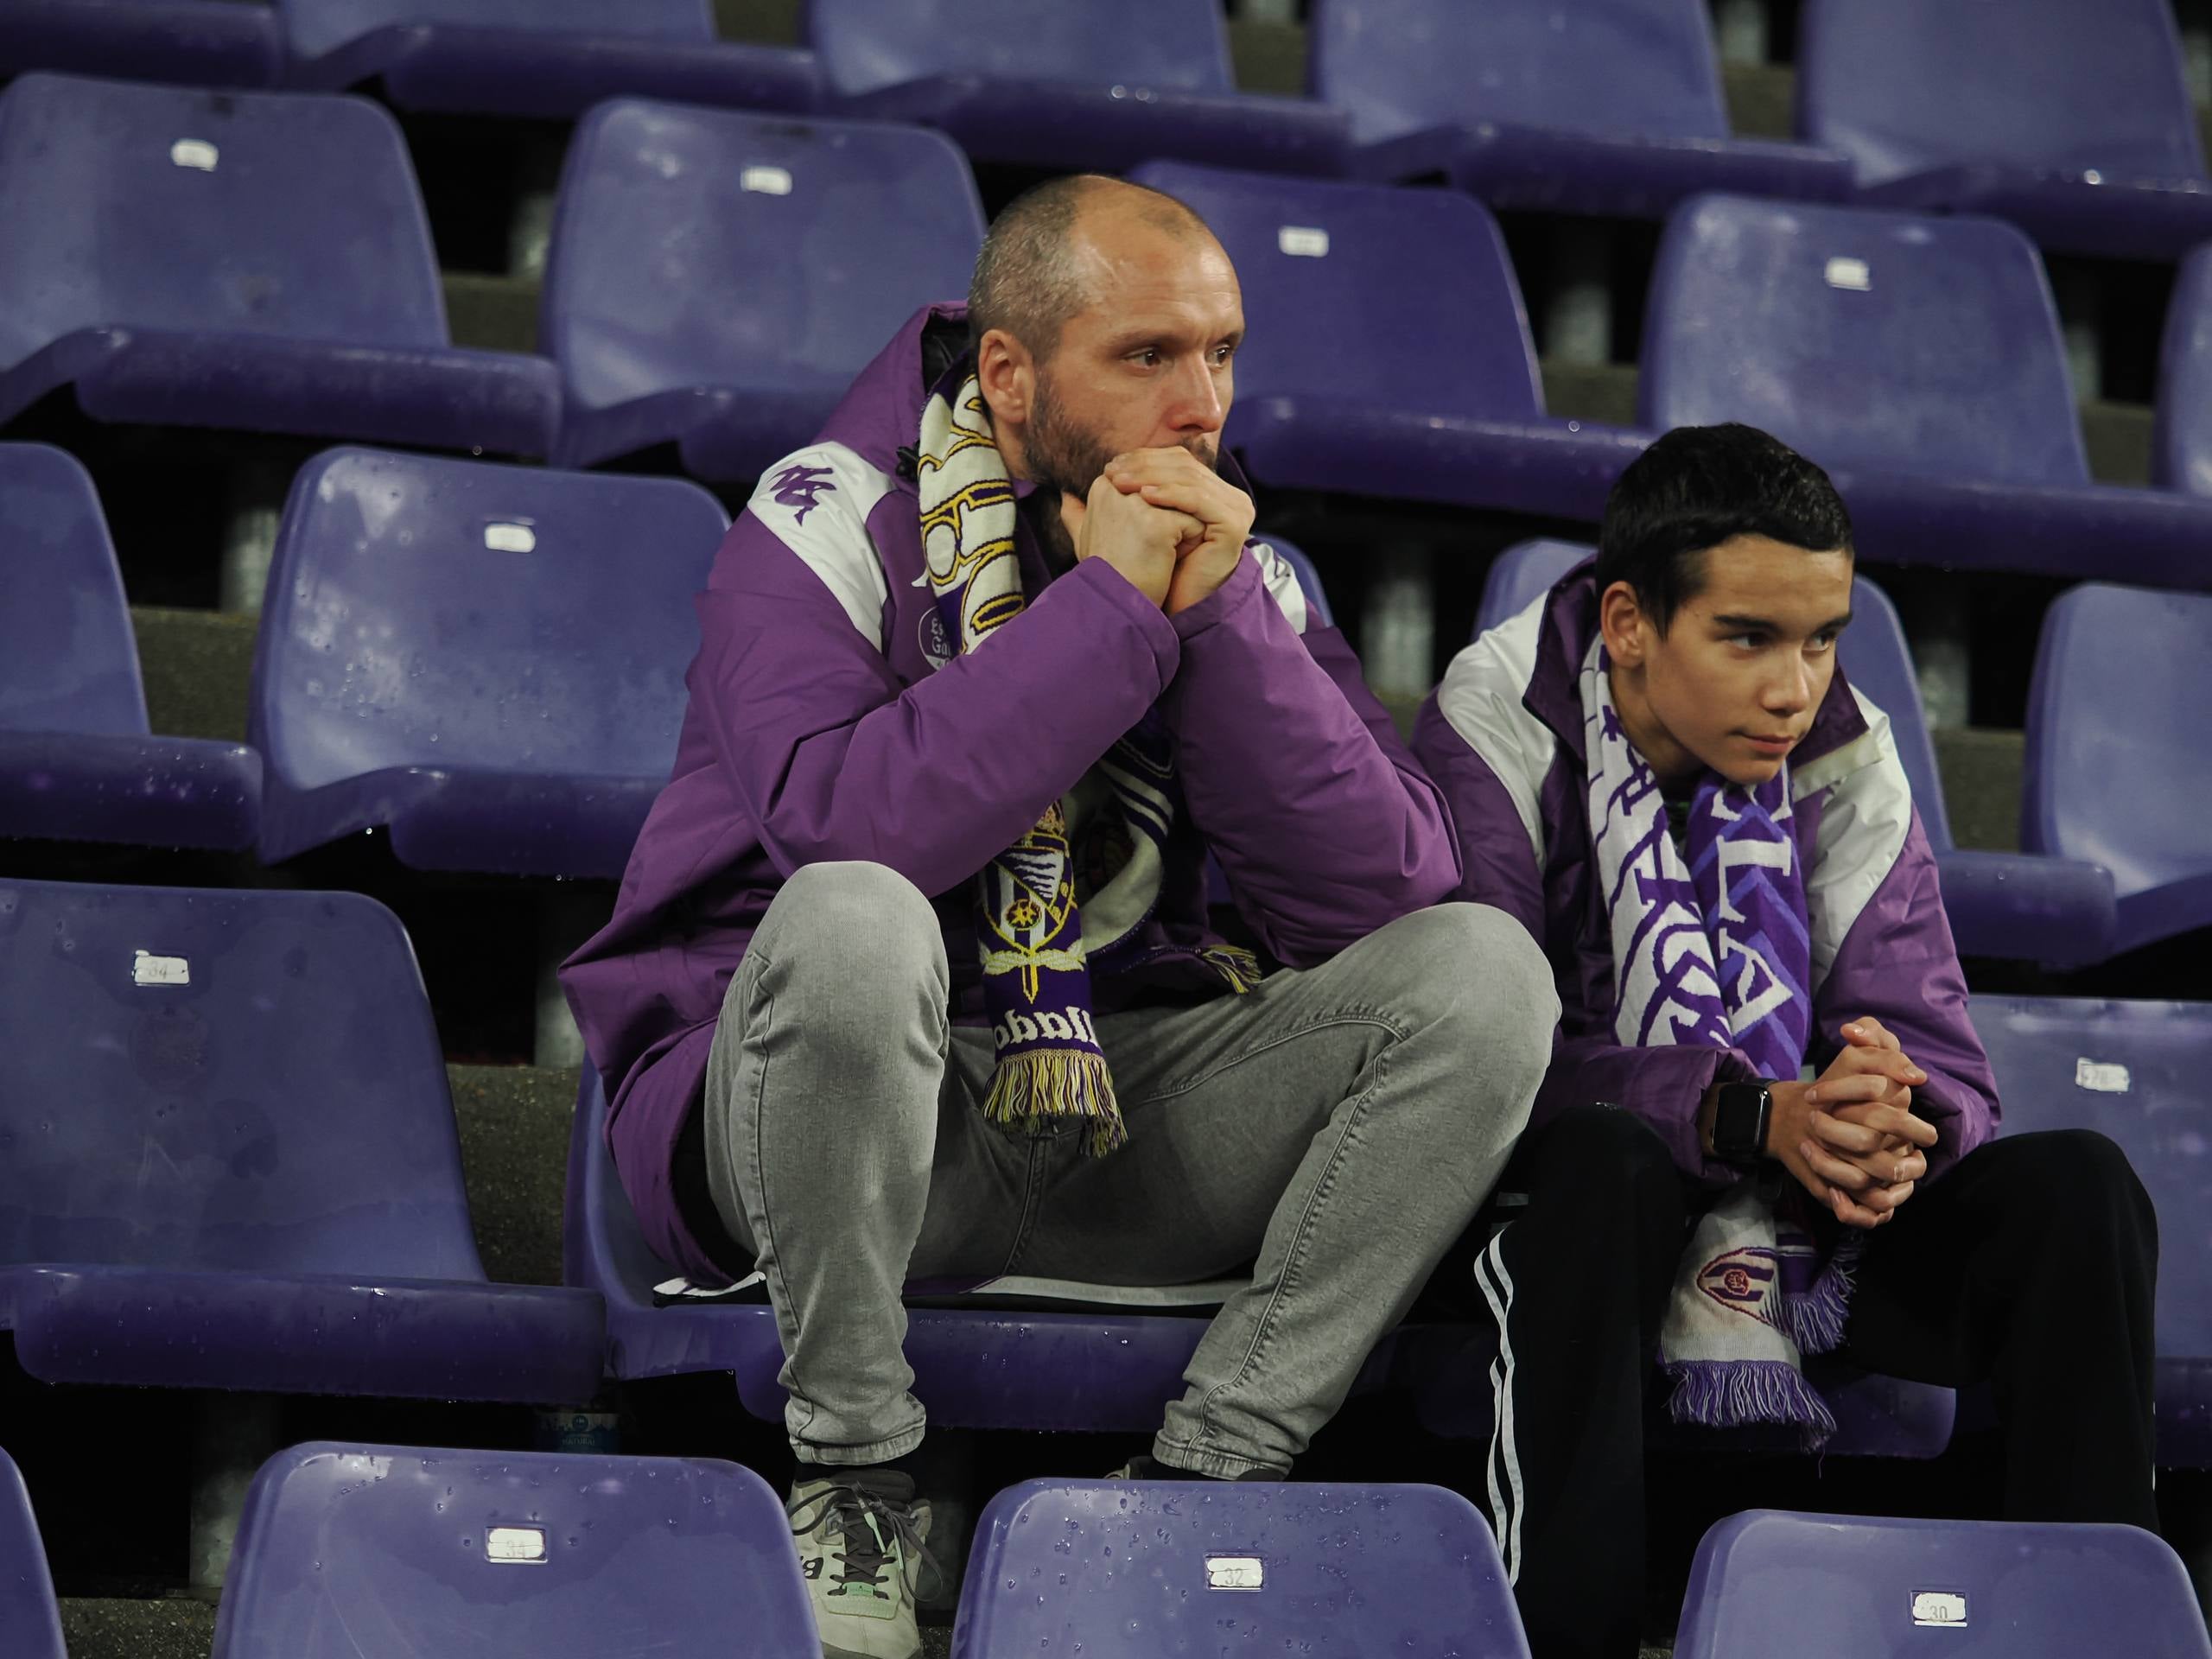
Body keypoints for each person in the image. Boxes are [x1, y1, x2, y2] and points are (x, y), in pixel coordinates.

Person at [561, 174, 1557, 1659]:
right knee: (851, 920)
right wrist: (1108, 619)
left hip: (1124, 1105)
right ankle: (853, 1478)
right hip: (825, 1120)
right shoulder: (825, 514)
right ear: (1013, 372)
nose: (1202, 401)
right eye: (1147, 355)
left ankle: (1212, 1468)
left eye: (1221, 353)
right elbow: (852, 828)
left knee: (1485, 974)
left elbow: (1386, 895)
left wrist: (1210, 619)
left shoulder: (1244, 567)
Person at [1413, 423, 2159, 1659]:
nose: (1793, 688)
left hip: (1802, 1230)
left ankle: (2087, 1636)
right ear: (1631, 624)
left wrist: (1893, 1121)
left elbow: (1939, 1051)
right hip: (1572, 1223)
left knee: (2080, 1191)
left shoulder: (1844, 754)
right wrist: (1748, 1113)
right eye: (1749, 637)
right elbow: (1476, 1055)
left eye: (1822, 640)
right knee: (1604, 1164)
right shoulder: (1497, 730)